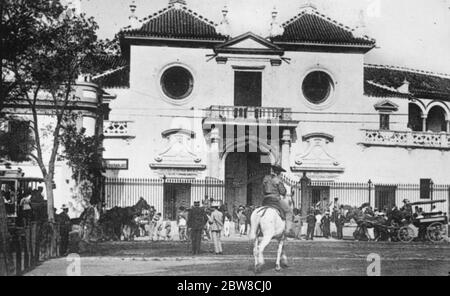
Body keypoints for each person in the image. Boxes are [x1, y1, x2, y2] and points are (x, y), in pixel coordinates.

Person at [262, 163, 294, 235]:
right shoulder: (277, 179)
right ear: (278, 172)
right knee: (289, 211)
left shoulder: (265, 178)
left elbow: (263, 190)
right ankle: (288, 230)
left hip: (265, 199)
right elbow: (283, 192)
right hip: (275, 199)